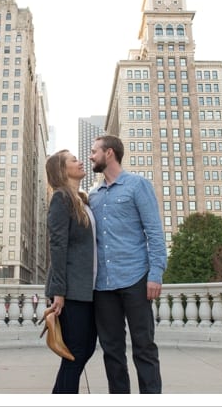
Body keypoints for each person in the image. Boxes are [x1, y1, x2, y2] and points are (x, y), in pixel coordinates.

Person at [88, 135, 167, 394]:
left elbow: (154, 232)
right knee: (112, 352)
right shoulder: (93, 196)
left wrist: (155, 274)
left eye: (94, 151)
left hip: (136, 278)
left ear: (109, 153)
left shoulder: (137, 185)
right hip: (103, 286)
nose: (91, 156)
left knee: (144, 347)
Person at [43, 149, 98, 393]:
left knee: (84, 350)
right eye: (73, 160)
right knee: (75, 353)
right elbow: (57, 246)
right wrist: (58, 292)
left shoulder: (83, 200)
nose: (80, 162)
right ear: (62, 170)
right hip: (70, 291)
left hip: (88, 289)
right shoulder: (61, 199)